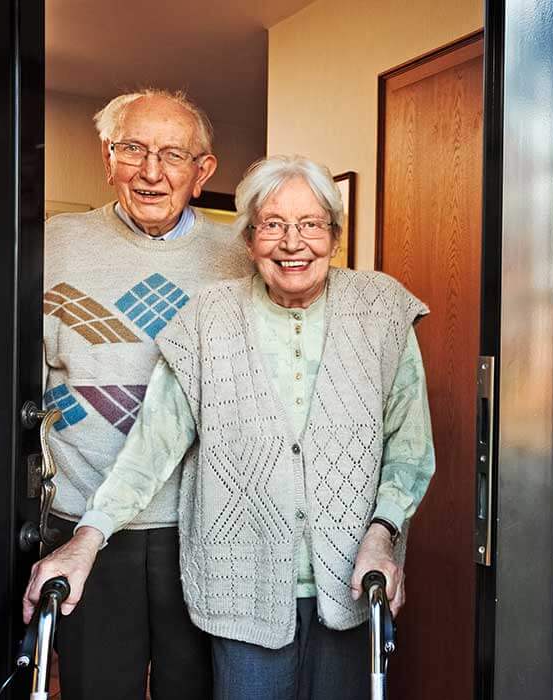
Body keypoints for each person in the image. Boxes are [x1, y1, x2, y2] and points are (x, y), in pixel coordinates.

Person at [25, 154, 435, 699]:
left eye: (311, 224)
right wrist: (87, 537)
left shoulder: (381, 310)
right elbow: (153, 445)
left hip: (354, 581)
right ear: (248, 241)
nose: (293, 243)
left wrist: (383, 533)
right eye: (272, 225)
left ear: (334, 236)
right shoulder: (207, 318)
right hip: (242, 584)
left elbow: (409, 448)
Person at [31, 88, 250, 699]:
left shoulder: (240, 257)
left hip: (201, 521)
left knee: (195, 688)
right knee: (98, 686)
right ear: (108, 159)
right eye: (133, 149)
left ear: (202, 171)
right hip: (84, 516)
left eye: (172, 155)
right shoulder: (52, 243)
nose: (151, 172)